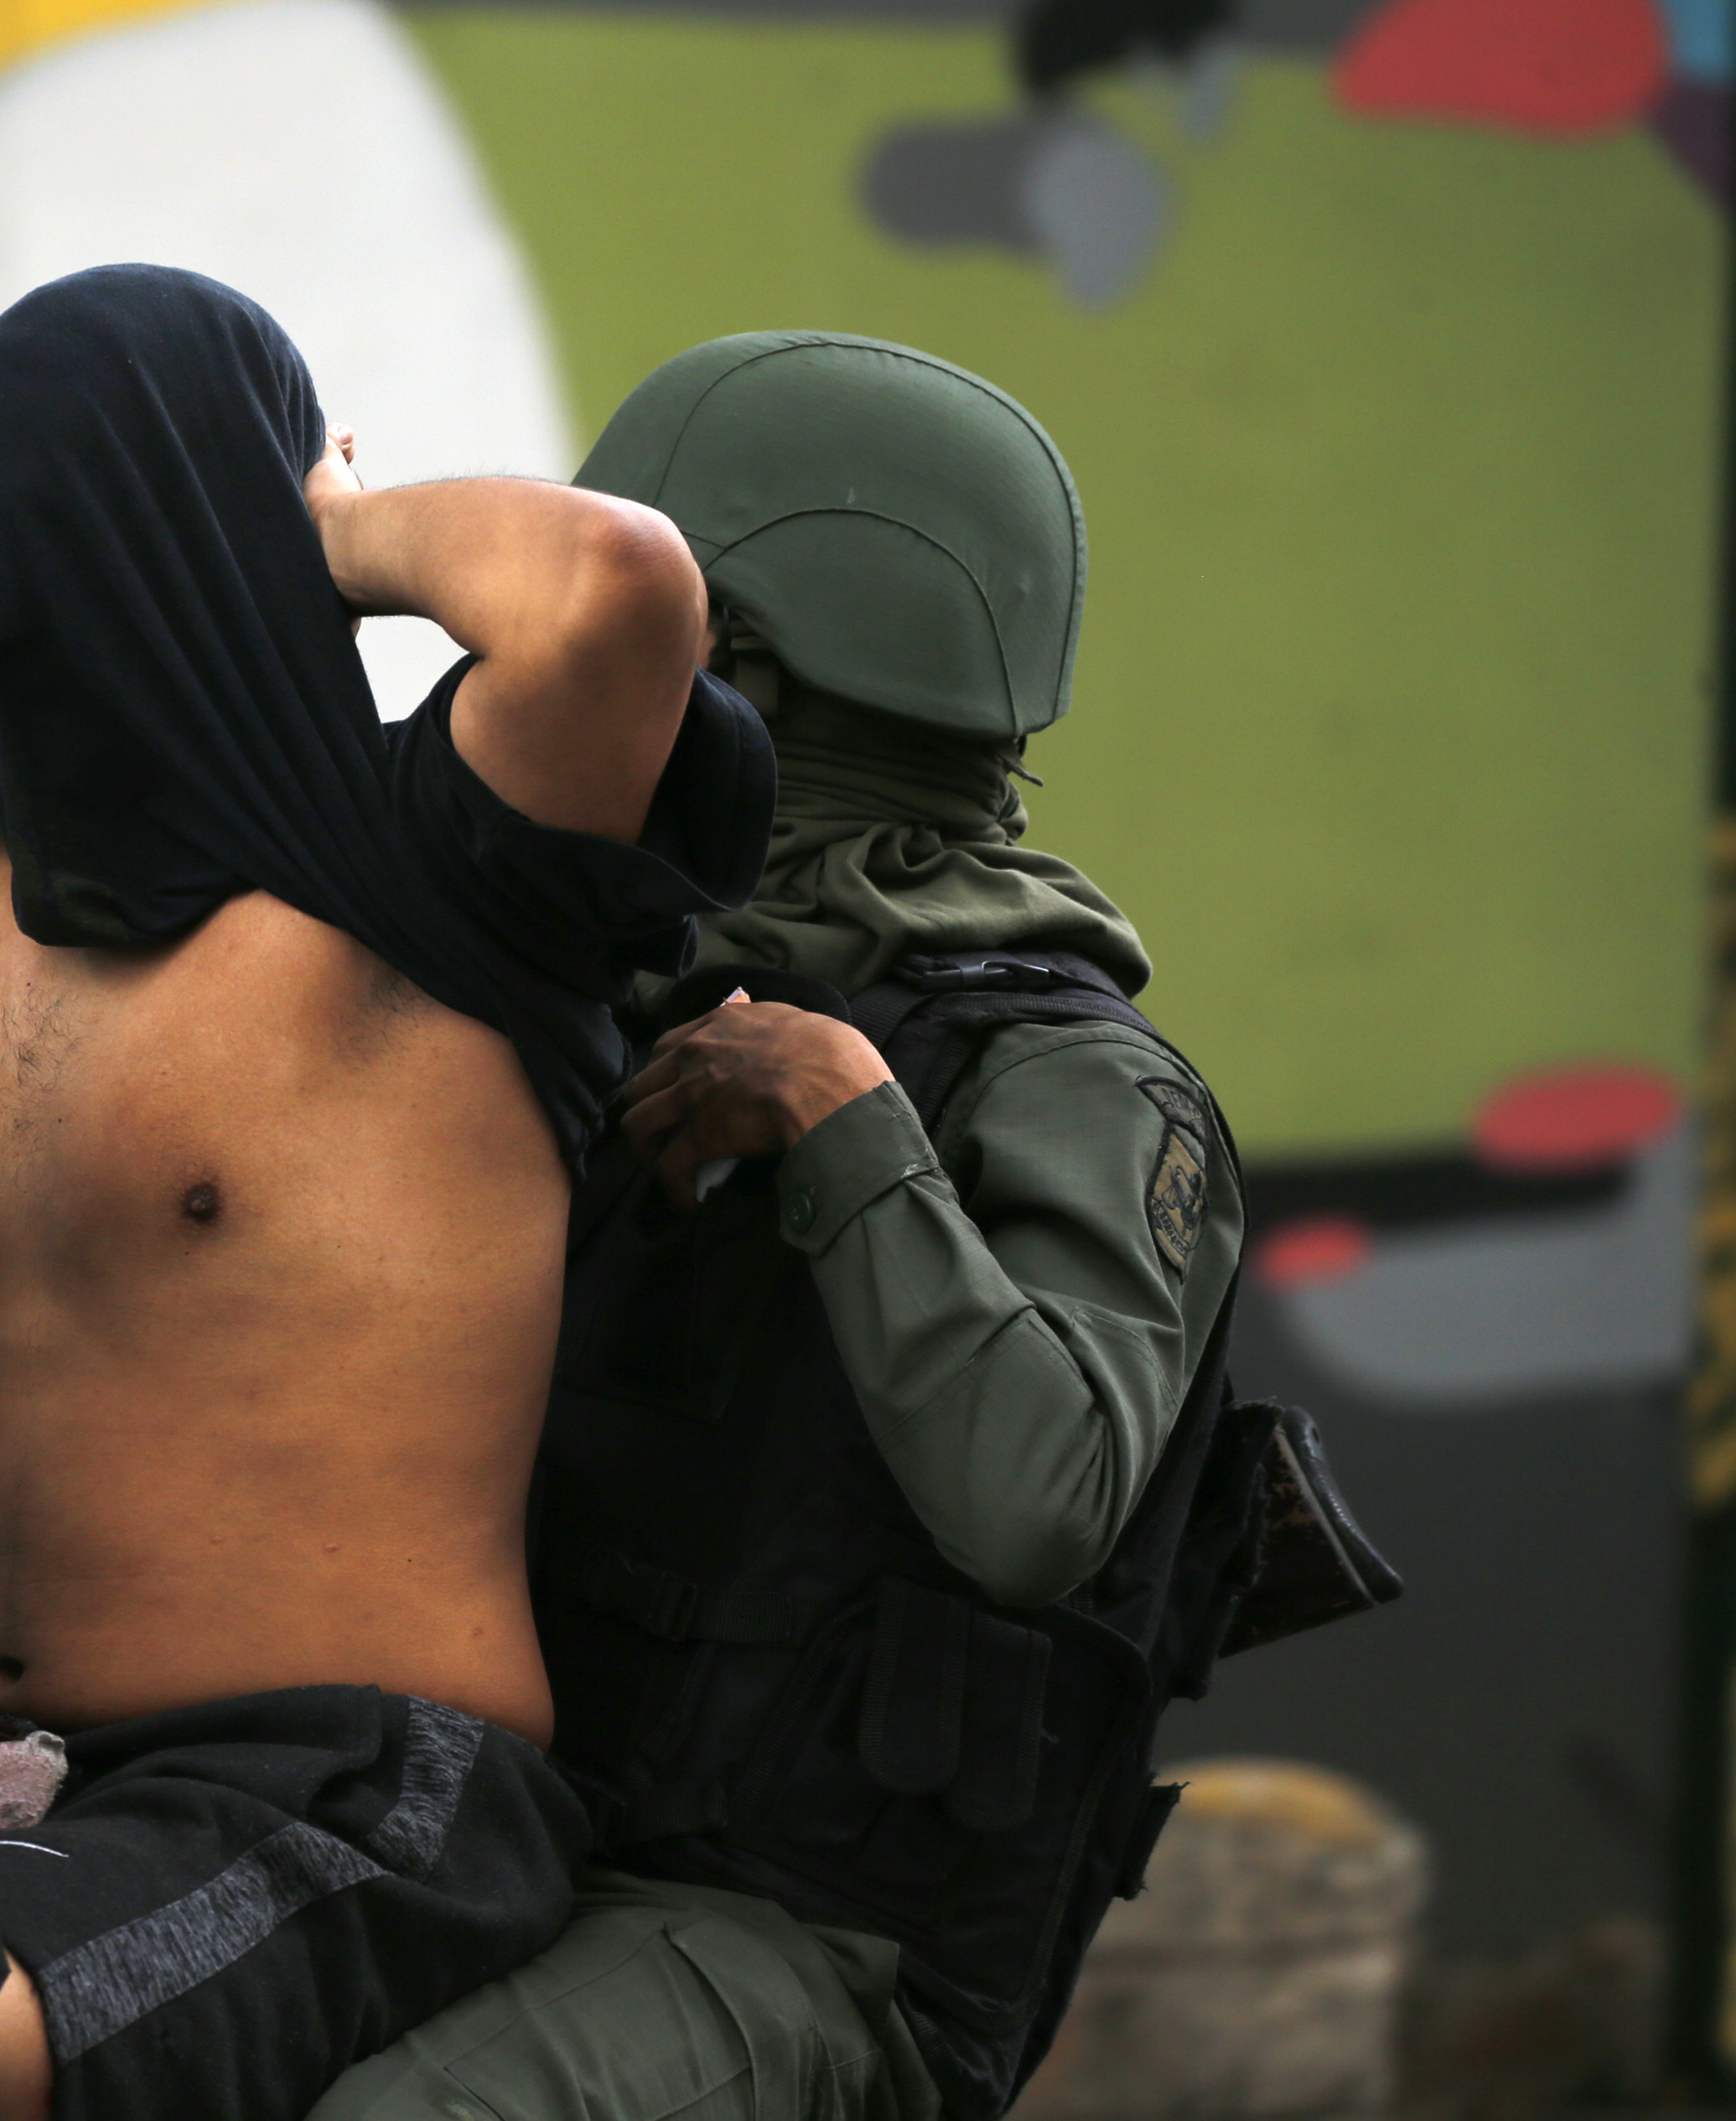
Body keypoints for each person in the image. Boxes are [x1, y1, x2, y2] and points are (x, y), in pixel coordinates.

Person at [0, 263, 777, 2121]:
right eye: (14, 568)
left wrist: (313, 527)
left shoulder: (438, 857)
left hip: (347, 1781)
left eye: (103, 539)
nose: (43, 620)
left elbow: (615, 588)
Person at [304, 333, 1254, 2121]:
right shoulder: (632, 972)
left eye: (644, 634)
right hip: (505, 1816)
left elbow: (1037, 1500)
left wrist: (844, 1132)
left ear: (730, 662)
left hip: (809, 1938)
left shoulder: (1067, 1080)